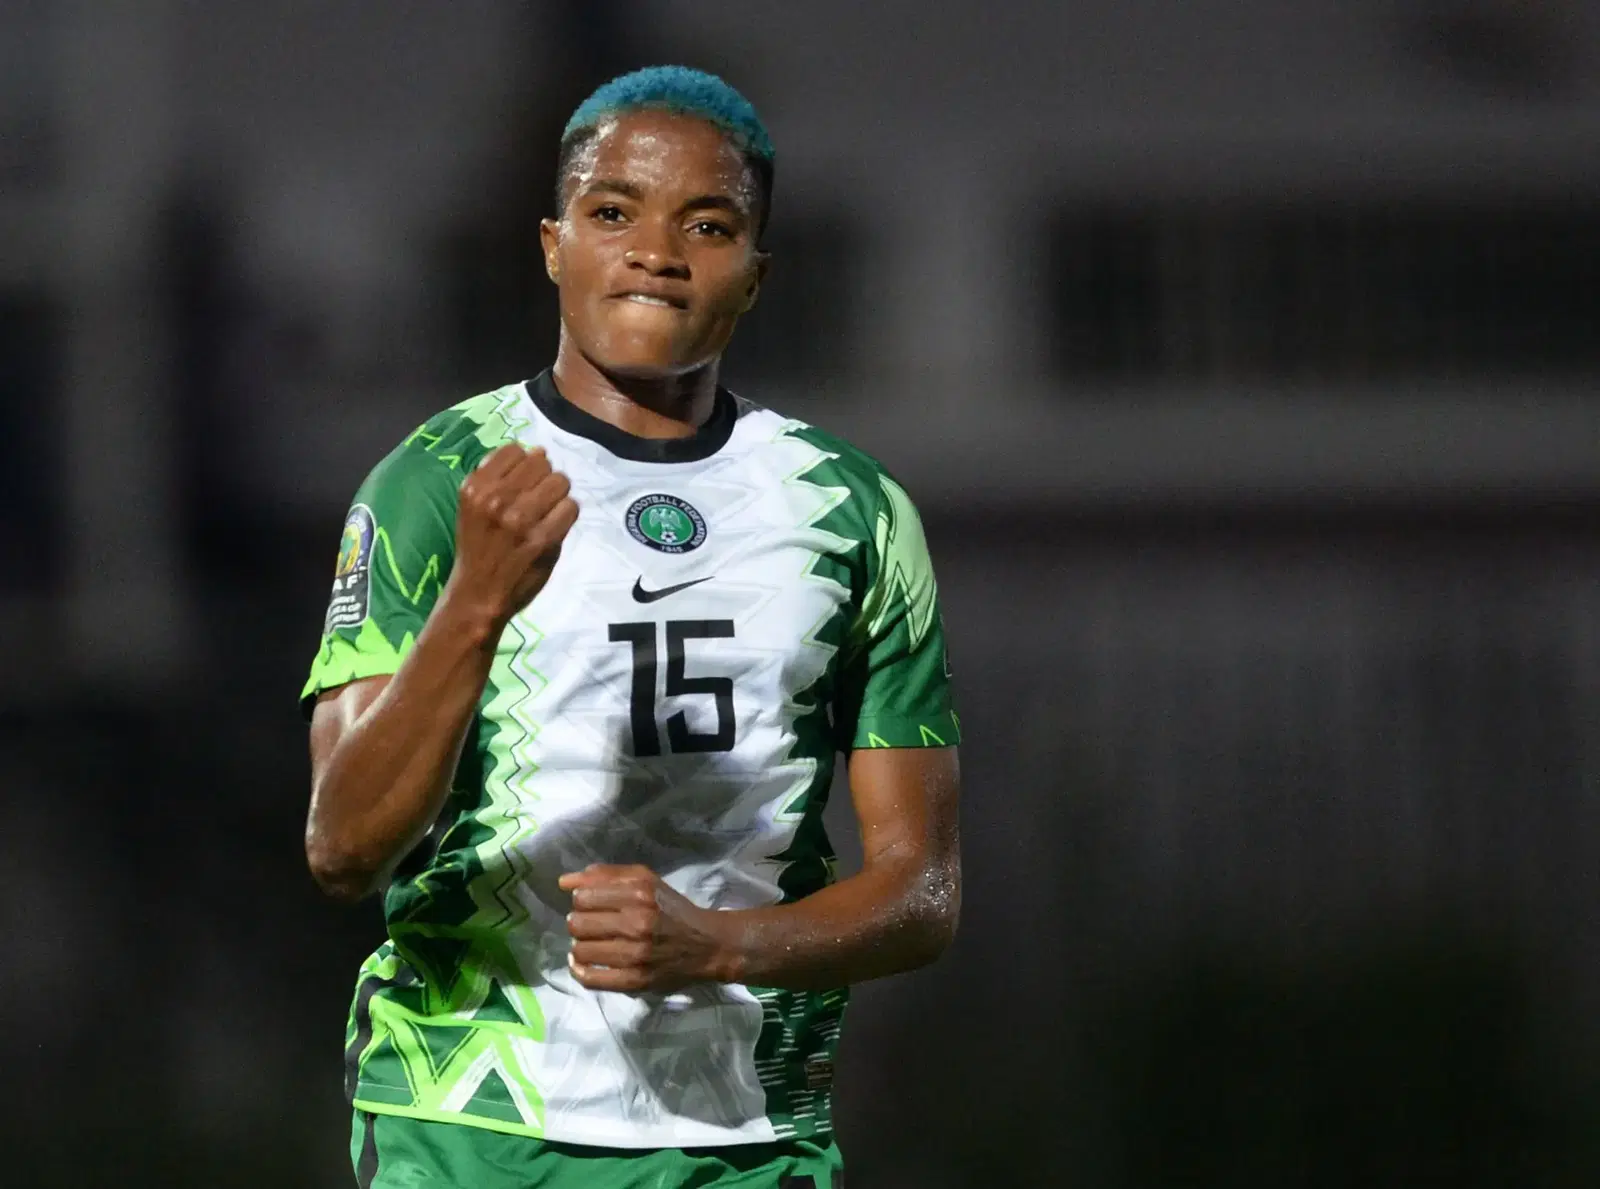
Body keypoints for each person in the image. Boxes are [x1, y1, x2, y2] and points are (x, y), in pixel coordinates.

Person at [300, 65, 961, 1189]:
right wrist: (476, 601)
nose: (657, 252)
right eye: (613, 212)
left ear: (755, 273)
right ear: (553, 244)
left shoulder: (852, 509)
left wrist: (719, 944)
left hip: (745, 1134)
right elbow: (343, 848)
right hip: (472, 1124)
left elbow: (923, 892)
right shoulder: (439, 481)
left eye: (707, 225)